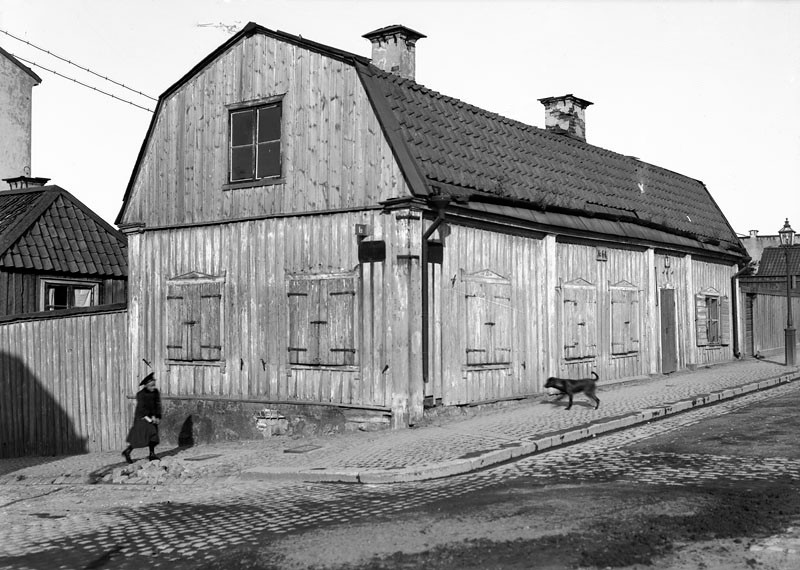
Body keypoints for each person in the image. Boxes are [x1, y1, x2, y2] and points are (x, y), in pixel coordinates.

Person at [122, 372, 162, 463]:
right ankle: (127, 451)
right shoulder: (140, 394)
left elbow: (158, 404)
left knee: (154, 436)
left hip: (152, 417)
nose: (153, 387)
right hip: (142, 418)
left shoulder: (155, 392)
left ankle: (152, 454)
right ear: (146, 385)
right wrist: (150, 419)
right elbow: (142, 409)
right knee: (139, 437)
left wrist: (158, 416)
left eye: (154, 385)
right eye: (151, 386)